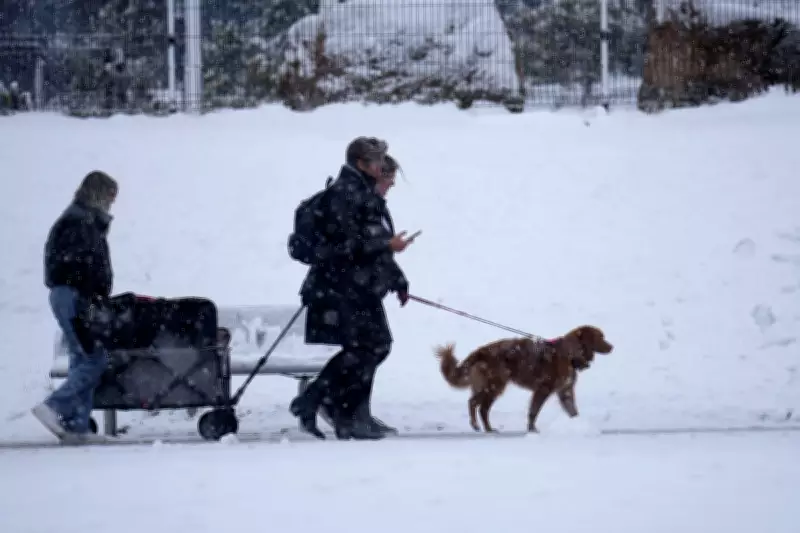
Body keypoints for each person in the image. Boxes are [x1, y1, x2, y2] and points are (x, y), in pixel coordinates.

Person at [290, 138, 414, 440]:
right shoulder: (346, 195)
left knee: (372, 347)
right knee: (368, 348)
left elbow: (369, 245)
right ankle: (323, 403)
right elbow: (348, 246)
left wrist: (397, 278)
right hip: (340, 287)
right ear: (362, 163)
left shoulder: (361, 193)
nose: (382, 167)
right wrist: (387, 245)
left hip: (357, 287)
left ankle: (343, 412)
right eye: (378, 161)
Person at [31, 171, 118, 444]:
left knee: (83, 359)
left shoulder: (82, 220)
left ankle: (76, 426)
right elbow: (77, 264)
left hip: (73, 295)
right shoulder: (78, 222)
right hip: (74, 297)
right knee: (94, 359)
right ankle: (54, 406)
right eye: (110, 196)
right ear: (98, 193)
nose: (112, 203)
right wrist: (90, 293)